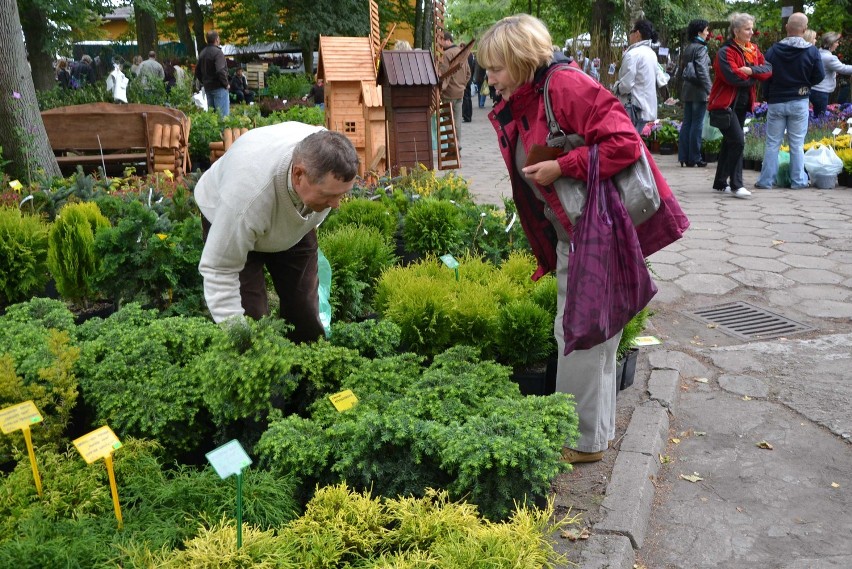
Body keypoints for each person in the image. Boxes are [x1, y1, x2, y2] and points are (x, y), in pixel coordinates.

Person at [477, 14, 689, 464]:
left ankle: (578, 441)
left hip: (595, 227)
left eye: (494, 68)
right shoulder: (532, 94)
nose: (489, 78)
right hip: (580, 227)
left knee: (581, 331)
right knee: (595, 329)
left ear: (517, 60)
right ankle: (593, 436)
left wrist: (563, 166)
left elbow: (625, 143)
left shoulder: (564, 86)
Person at [196, 123, 359, 343]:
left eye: (343, 195)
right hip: (234, 218)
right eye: (329, 196)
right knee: (251, 315)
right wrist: (243, 342)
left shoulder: (326, 154)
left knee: (305, 312)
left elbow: (322, 198)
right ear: (298, 174)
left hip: (286, 210)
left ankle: (305, 368)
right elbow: (220, 270)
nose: (337, 205)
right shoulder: (245, 199)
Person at [754, 12, 824, 190]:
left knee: (772, 143)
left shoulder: (773, 50)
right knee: (797, 144)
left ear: (787, 28)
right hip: (799, 100)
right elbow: (820, 75)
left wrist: (768, 96)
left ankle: (766, 181)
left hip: (777, 101)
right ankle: (798, 181)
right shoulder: (812, 51)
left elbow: (766, 75)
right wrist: (806, 85)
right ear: (805, 29)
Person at [707, 12, 772, 198]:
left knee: (730, 142)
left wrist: (750, 70)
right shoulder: (725, 52)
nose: (751, 32)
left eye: (752, 28)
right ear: (736, 31)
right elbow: (732, 77)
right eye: (747, 29)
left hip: (742, 105)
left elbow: (768, 70)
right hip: (724, 105)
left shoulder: (753, 50)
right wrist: (753, 78)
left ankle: (720, 183)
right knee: (737, 141)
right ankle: (736, 185)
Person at [615, 19, 661, 133]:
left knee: (633, 144)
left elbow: (626, 85)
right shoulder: (651, 53)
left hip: (635, 110)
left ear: (637, 33)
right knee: (642, 144)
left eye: (631, 31)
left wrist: (616, 87)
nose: (629, 35)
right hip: (649, 108)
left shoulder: (633, 54)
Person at [678, 19, 712, 168]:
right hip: (699, 91)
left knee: (687, 123)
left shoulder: (688, 47)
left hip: (687, 89)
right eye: (706, 30)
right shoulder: (701, 48)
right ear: (699, 32)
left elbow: (683, 69)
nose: (708, 33)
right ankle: (695, 157)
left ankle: (684, 156)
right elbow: (702, 71)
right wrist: (710, 89)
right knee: (697, 124)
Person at [438, 31, 471, 149]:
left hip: (448, 92)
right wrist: (462, 85)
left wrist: (441, 89)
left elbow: (444, 75)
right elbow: (468, 73)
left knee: (447, 118)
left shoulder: (446, 54)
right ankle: (458, 144)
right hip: (460, 92)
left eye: (440, 41)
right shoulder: (461, 52)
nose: (439, 44)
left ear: (447, 40)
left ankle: (454, 143)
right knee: (457, 120)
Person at [810, 32, 852, 117]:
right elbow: (843, 69)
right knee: (820, 118)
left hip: (814, 90)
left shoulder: (818, 52)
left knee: (816, 116)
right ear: (831, 43)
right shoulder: (829, 58)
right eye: (836, 42)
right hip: (821, 92)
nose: (838, 44)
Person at [195, 30, 231, 117]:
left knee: (213, 117)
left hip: (208, 87)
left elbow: (197, 71)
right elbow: (220, 70)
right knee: (223, 117)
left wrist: (204, 81)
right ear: (217, 39)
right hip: (219, 87)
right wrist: (226, 84)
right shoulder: (218, 53)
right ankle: (223, 131)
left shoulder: (202, 53)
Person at [461, 45, 475, 122]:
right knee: (468, 98)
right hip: (469, 78)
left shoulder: (466, 56)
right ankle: (468, 115)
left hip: (465, 79)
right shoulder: (470, 55)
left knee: (466, 98)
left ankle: (466, 116)